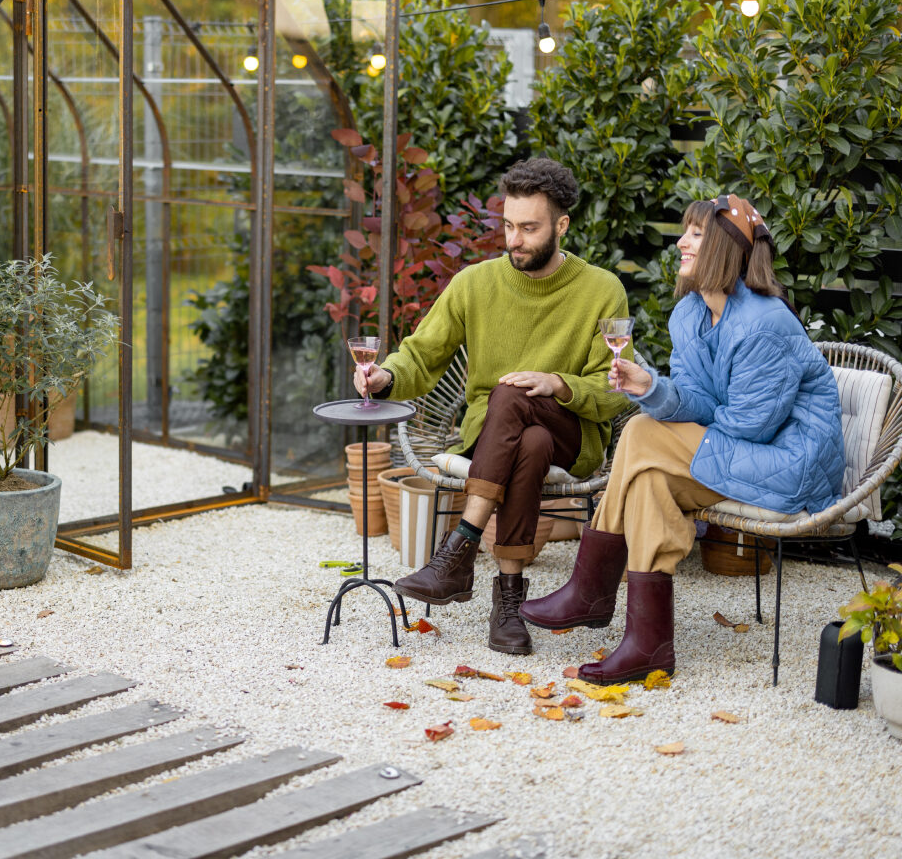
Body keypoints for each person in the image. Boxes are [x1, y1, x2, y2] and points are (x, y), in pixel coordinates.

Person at [519, 194, 846, 683]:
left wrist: (666, 416)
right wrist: (651, 387)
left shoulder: (766, 322)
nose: (680, 243)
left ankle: (590, 588)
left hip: (788, 463)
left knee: (644, 434)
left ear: (723, 246)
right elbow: (697, 399)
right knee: (649, 476)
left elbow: (752, 425)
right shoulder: (690, 314)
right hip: (735, 459)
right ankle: (647, 646)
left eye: (694, 234)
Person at [354, 157, 630, 656]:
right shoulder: (475, 284)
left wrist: (557, 384)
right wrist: (386, 375)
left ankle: (458, 551)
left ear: (561, 225)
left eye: (529, 228)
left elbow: (614, 390)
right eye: (508, 226)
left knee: (517, 399)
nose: (515, 239)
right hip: (499, 437)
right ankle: (508, 601)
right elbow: (422, 353)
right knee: (529, 438)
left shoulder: (601, 289)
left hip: (573, 433)